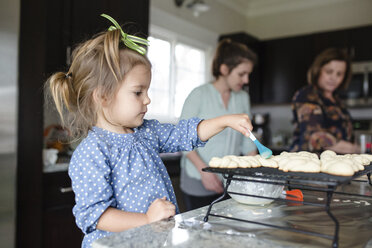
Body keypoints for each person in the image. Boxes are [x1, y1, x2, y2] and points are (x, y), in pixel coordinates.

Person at [44, 15, 254, 248]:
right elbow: (96, 216)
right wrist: (146, 219)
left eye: (147, 91)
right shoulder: (92, 152)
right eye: (138, 92)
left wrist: (224, 121)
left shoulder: (146, 132)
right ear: (103, 96)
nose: (147, 99)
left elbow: (185, 134)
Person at [179, 39, 258, 211]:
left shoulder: (242, 98)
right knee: (200, 231)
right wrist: (204, 173)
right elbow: (182, 139)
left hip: (230, 181)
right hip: (198, 179)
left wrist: (255, 174)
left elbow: (247, 140)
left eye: (248, 74)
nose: (246, 80)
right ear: (224, 69)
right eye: (241, 74)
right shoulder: (199, 95)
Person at [290, 48, 360, 154]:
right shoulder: (307, 95)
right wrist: (355, 149)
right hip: (310, 164)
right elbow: (315, 137)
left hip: (337, 164)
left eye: (339, 74)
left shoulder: (337, 100)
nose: (333, 78)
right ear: (318, 70)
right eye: (329, 72)